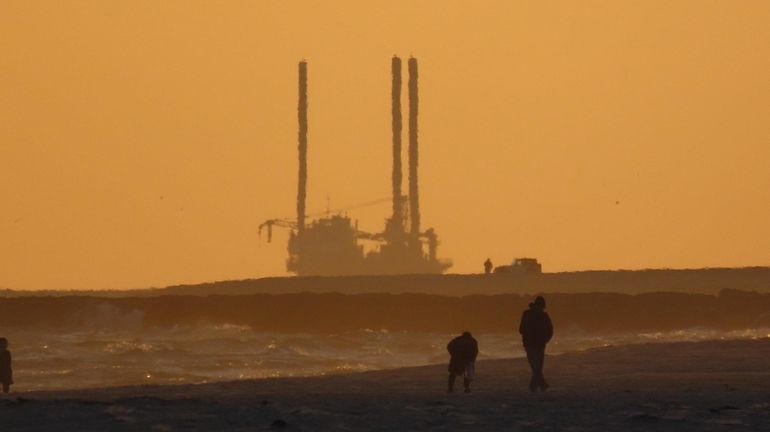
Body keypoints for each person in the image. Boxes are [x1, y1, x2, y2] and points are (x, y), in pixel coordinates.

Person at [518, 296, 553, 392]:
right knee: (536, 366)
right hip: (532, 344)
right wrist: (546, 339)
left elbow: (521, 329)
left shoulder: (529, 314)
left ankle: (535, 386)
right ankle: (540, 384)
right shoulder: (538, 315)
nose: (542, 309)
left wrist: (546, 339)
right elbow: (521, 329)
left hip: (537, 344)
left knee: (536, 367)